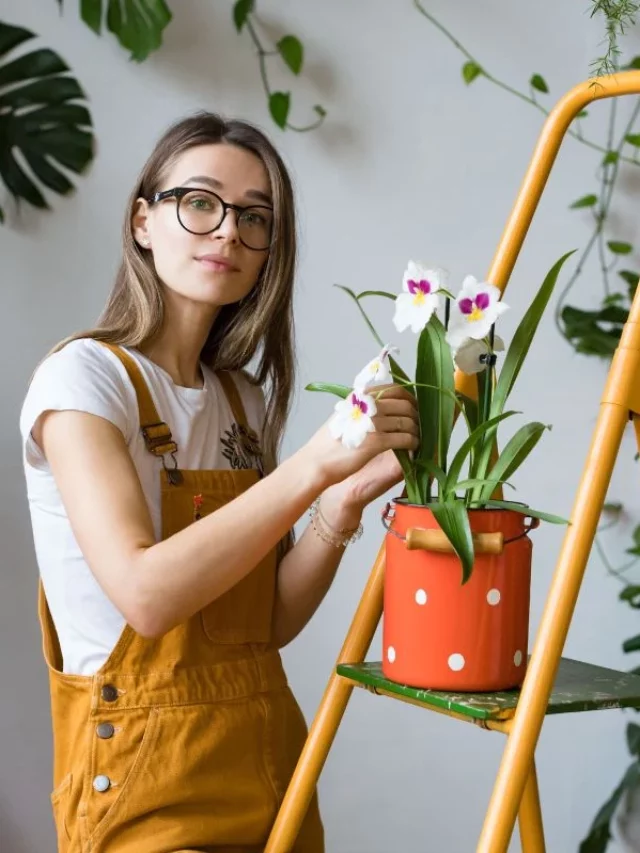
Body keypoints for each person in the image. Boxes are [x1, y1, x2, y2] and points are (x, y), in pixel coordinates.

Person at [19, 111, 419, 853]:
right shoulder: (81, 381)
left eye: (254, 217)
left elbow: (263, 624)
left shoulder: (242, 397)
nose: (227, 231)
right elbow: (146, 594)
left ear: (270, 250)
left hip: (264, 759)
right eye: (199, 202)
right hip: (144, 780)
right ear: (144, 221)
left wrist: (342, 498)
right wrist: (312, 465)